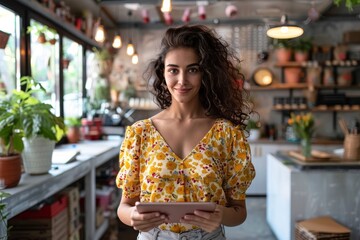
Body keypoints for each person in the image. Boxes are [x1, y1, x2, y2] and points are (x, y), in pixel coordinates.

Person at [116, 24, 256, 240]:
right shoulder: (140, 133)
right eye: (173, 70)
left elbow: (239, 212)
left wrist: (220, 215)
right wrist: (132, 215)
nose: (182, 81)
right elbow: (124, 206)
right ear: (163, 73)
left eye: (193, 69)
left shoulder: (227, 134)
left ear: (206, 73)